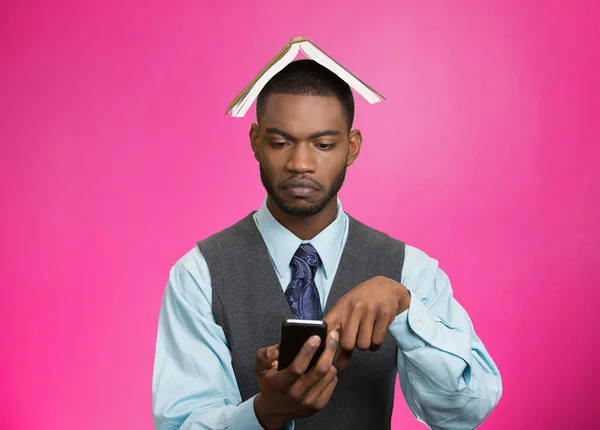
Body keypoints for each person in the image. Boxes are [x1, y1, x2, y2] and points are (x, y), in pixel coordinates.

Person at [152, 59, 502, 430]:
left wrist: (406, 311)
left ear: (351, 147)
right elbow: (181, 424)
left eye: (322, 144)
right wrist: (265, 412)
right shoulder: (199, 274)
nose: (300, 163)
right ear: (256, 142)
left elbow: (466, 414)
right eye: (280, 142)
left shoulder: (408, 271)